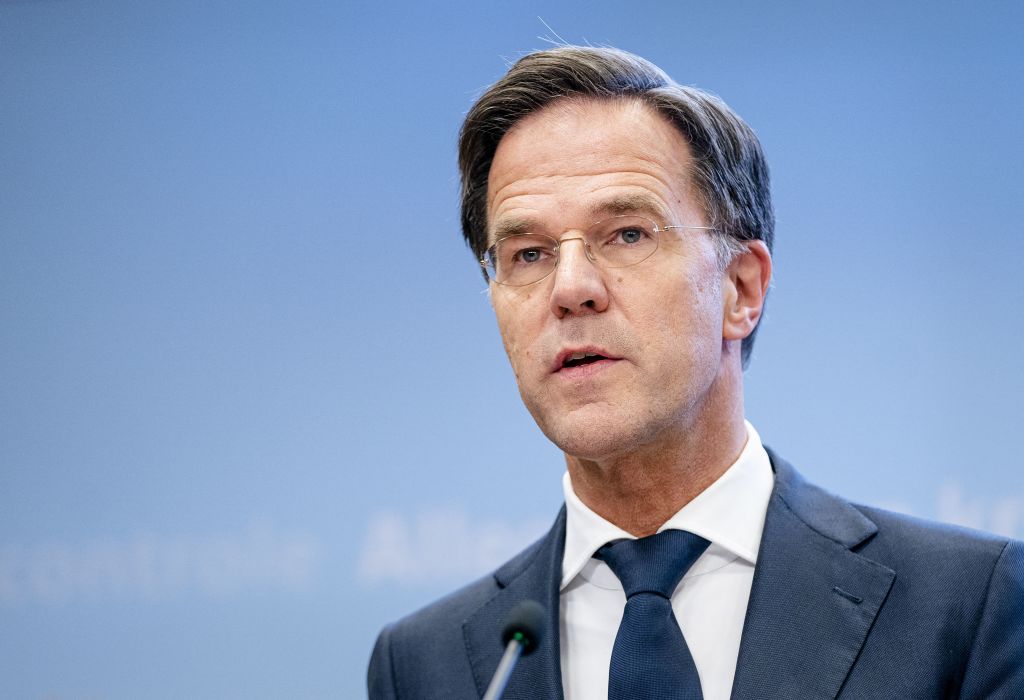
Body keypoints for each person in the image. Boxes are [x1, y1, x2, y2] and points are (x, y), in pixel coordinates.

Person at [367, 46, 1024, 699]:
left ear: (740, 288)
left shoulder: (969, 607)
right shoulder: (423, 666)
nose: (570, 289)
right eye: (528, 254)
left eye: (628, 234)